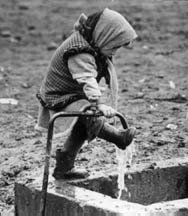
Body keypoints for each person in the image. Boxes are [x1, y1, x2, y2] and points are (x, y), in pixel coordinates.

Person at [35, 8, 137, 179]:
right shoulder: (79, 51)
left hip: (73, 93)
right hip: (59, 95)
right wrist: (98, 105)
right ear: (104, 36)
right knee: (91, 114)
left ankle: (64, 168)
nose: (115, 52)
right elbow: (87, 79)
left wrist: (98, 103)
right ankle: (118, 138)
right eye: (115, 46)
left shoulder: (91, 44)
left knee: (83, 126)